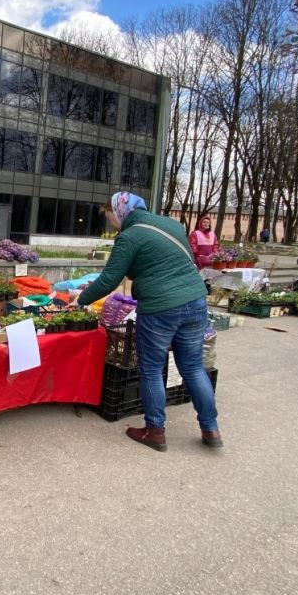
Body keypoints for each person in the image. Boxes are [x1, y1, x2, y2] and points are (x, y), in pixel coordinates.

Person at [77, 192, 220, 452]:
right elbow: (183, 260)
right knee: (193, 367)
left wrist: (80, 300)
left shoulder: (129, 237)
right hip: (196, 300)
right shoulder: (172, 225)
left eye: (111, 218)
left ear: (121, 211)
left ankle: (155, 430)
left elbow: (109, 280)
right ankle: (211, 429)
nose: (112, 224)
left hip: (160, 307)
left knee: (152, 368)